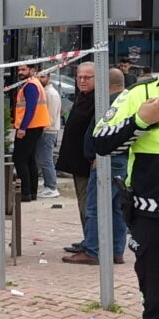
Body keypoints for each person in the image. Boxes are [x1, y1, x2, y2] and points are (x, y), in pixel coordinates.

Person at [91, 72, 159, 319]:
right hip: (152, 221)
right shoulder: (140, 93)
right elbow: (101, 143)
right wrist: (141, 121)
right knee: (156, 305)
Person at [66, 69, 128, 265]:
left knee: (94, 206)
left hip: (106, 160)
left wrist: (94, 155)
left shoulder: (108, 103)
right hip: (122, 160)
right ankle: (116, 250)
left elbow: (99, 130)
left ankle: (92, 250)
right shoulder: (127, 100)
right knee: (116, 208)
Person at [57, 62, 96, 254]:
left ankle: (92, 243)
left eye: (87, 77)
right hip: (76, 160)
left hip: (87, 162)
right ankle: (89, 239)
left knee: (88, 203)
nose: (82, 80)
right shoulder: (82, 97)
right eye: (79, 77)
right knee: (83, 202)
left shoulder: (98, 100)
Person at [12, 64, 51, 202]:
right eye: (19, 70)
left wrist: (22, 128)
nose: (20, 72)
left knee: (19, 159)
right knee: (29, 160)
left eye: (24, 69)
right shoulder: (35, 84)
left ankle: (25, 192)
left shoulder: (30, 85)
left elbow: (30, 108)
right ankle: (31, 192)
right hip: (35, 125)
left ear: (32, 70)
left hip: (29, 127)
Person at [35, 71, 63, 198]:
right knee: (43, 159)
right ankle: (48, 185)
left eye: (42, 77)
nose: (40, 79)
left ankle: (51, 187)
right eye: (38, 77)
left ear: (49, 78)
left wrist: (42, 128)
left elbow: (50, 116)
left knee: (46, 160)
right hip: (46, 130)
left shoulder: (51, 94)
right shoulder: (45, 92)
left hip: (48, 131)